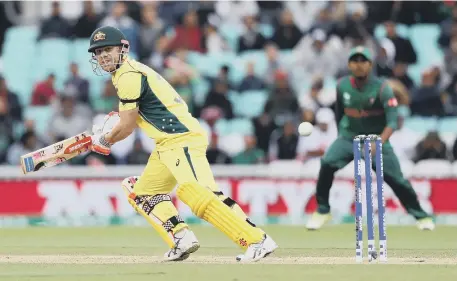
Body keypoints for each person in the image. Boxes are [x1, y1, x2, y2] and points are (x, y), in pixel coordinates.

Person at [86, 26, 277, 262]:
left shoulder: (128, 75)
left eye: (108, 49)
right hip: (165, 144)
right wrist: (107, 136)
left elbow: (127, 125)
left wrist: (104, 140)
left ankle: (257, 240)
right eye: (98, 52)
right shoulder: (125, 74)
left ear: (122, 49)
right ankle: (181, 238)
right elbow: (130, 120)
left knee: (196, 192)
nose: (103, 56)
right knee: (142, 193)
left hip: (181, 139)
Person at [305, 46, 435, 231]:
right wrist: (341, 136)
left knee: (396, 180)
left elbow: (392, 122)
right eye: (354, 61)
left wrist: (379, 142)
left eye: (362, 61)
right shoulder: (342, 86)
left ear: (370, 64)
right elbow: (339, 113)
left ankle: (421, 217)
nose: (358, 65)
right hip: (349, 138)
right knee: (327, 163)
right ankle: (323, 210)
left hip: (377, 140)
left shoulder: (383, 89)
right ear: (349, 64)